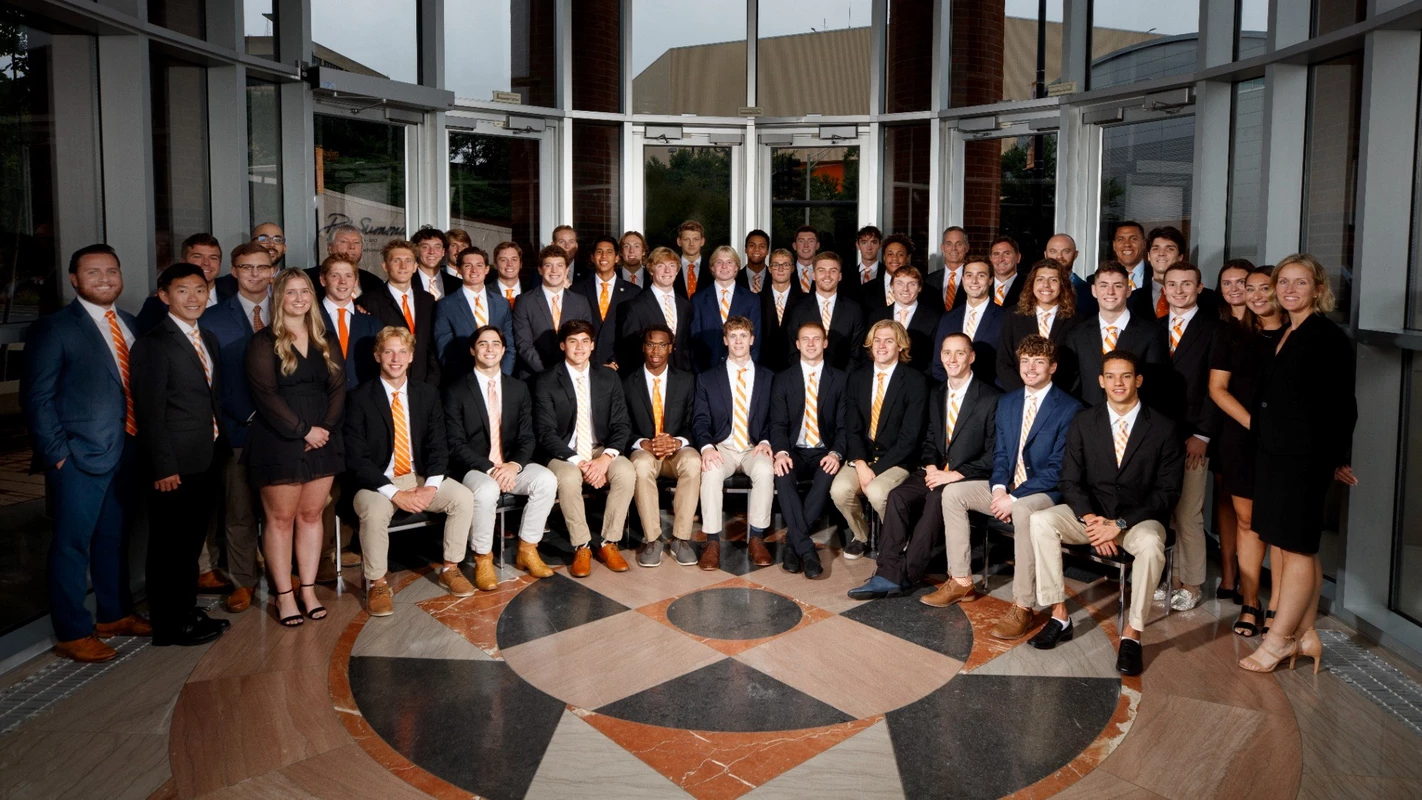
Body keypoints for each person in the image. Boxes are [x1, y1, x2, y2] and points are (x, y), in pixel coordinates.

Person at [22, 244, 150, 662]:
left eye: (111, 270)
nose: (104, 278)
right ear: (74, 279)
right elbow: (36, 398)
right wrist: (58, 454)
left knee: (113, 538)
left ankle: (113, 614)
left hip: (127, 451)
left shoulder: (130, 324)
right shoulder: (55, 327)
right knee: (72, 544)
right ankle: (73, 631)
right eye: (92, 272)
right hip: (79, 457)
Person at [1027, 350, 1183, 676]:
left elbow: (1167, 493)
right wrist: (1091, 520)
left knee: (1154, 546)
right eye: (1111, 376)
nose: (1118, 383)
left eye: (1126, 376)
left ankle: (1132, 635)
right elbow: (1069, 479)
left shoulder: (1164, 428)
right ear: (1101, 381)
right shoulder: (1084, 421)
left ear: (1138, 380)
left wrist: (1120, 524)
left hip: (1136, 521)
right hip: (1093, 517)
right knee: (1041, 520)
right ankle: (1059, 615)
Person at [1240, 255, 1356, 674]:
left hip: (1304, 459)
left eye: (1300, 283)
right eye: (1283, 282)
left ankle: (1279, 641)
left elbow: (1343, 405)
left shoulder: (1326, 337)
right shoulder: (1289, 331)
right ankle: (1306, 636)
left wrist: (1337, 458)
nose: (1289, 289)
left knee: (1298, 549)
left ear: (1318, 290)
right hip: (1276, 454)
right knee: (1287, 548)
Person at [936, 335, 1083, 636]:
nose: (1030, 368)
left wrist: (1014, 498)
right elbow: (1001, 454)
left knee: (1025, 511)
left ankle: (1022, 605)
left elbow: (1058, 469)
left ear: (1052, 367)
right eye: (1025, 361)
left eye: (1039, 362)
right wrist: (1000, 488)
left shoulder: (1069, 408)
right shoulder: (1008, 402)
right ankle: (962, 580)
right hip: (1008, 488)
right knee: (953, 492)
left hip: (1044, 493)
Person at [849, 334, 1000, 599]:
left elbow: (995, 453)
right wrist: (931, 466)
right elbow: (930, 439)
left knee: (936, 501)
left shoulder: (990, 397)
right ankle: (886, 571)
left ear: (972, 357)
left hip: (968, 477)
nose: (952, 359)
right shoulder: (937, 393)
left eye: (960, 353)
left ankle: (905, 575)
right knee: (897, 497)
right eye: (947, 353)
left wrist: (954, 474)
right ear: (940, 356)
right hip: (935, 471)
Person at [131, 264, 231, 646]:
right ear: (164, 296)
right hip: (173, 466)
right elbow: (149, 410)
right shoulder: (153, 343)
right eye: (183, 291)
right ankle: (170, 627)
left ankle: (185, 611)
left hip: (205, 457)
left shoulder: (207, 337)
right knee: (168, 547)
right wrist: (163, 465)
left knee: (189, 544)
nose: (193, 298)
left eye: (200, 290)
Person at [344, 326, 476, 615]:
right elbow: (357, 458)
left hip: (419, 475)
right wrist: (395, 494)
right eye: (389, 351)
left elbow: (439, 446)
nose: (395, 358)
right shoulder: (359, 397)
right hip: (376, 481)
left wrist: (430, 486)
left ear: (411, 356)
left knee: (463, 497)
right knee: (376, 512)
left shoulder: (427, 394)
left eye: (402, 351)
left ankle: (451, 567)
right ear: (377, 355)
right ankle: (377, 583)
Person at [244, 268, 346, 626]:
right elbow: (265, 395)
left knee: (311, 516)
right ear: (279, 298)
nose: (300, 298)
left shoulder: (324, 337)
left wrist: (325, 429)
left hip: (323, 438)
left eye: (305, 291)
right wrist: (303, 430)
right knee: (280, 519)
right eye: (291, 292)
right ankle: (283, 595)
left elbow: (337, 388)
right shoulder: (263, 341)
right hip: (279, 439)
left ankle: (307, 589)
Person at [444, 326, 558, 586]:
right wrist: (490, 468)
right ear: (473, 350)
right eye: (483, 344)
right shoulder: (456, 390)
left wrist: (514, 465)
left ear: (504, 350)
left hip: (509, 465)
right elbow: (454, 443)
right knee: (485, 492)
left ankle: (528, 549)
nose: (490, 349)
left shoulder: (518, 388)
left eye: (496, 344)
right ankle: (483, 557)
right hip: (474, 468)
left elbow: (528, 436)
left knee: (547, 480)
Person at [1209, 265, 1286, 637]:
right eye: (1248, 288)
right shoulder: (1231, 335)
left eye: (1263, 288)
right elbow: (1218, 389)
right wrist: (1258, 426)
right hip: (1241, 438)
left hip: (1288, 443)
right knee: (1246, 521)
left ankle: (1279, 608)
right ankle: (1251, 602)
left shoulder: (1296, 335)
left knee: (1282, 527)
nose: (1254, 295)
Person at [198, 243, 274, 613]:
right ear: (234, 271)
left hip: (285, 432)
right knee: (240, 511)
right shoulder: (212, 318)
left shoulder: (292, 306)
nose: (256, 274)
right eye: (247, 268)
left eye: (263, 267)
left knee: (280, 511)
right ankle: (243, 581)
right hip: (239, 430)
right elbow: (213, 381)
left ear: (273, 270)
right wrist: (249, 416)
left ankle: (282, 574)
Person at [533, 320, 636, 577]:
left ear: (593, 346)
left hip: (600, 448)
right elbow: (546, 434)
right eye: (572, 341)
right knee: (568, 479)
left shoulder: (608, 377)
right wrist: (581, 462)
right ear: (562, 345)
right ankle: (582, 545)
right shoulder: (546, 381)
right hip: (564, 453)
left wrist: (605, 459)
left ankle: (608, 542)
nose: (579, 347)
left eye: (585, 341)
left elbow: (622, 423)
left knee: (626, 472)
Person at [1152, 262, 1222, 612]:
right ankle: (1167, 578)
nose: (1179, 291)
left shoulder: (1213, 329)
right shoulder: (1153, 328)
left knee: (1189, 513)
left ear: (1200, 288)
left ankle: (1191, 583)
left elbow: (1217, 388)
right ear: (1163, 288)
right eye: (1172, 284)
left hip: (1193, 435)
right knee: (1161, 510)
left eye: (1186, 284)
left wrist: (1203, 434)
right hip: (1156, 436)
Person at [831, 321, 927, 559]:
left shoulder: (915, 381)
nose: (882, 346)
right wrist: (861, 464)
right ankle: (861, 535)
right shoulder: (857, 377)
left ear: (900, 346)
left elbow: (909, 438)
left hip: (896, 459)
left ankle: (897, 537)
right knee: (840, 490)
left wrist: (874, 470)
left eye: (889, 340)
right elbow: (851, 427)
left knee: (876, 492)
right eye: (877, 340)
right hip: (862, 456)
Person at [694, 316, 777, 570]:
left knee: (765, 470)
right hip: (724, 447)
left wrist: (765, 440)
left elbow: (777, 417)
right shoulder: (708, 378)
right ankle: (712, 541)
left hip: (754, 447)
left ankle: (758, 538)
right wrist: (707, 447)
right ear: (725, 340)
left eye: (743, 336)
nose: (738, 341)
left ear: (752, 340)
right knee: (709, 471)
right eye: (733, 336)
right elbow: (699, 419)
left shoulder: (768, 377)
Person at [769, 321, 849, 579]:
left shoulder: (840, 379)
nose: (811, 344)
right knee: (782, 473)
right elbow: (778, 424)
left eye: (817, 339)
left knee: (826, 475)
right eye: (806, 339)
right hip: (794, 449)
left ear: (825, 343)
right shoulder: (783, 379)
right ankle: (807, 551)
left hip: (825, 450)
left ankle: (794, 545)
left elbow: (844, 426)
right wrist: (780, 451)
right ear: (797, 344)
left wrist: (836, 453)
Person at [624, 325, 701, 567]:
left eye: (662, 344)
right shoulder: (627, 381)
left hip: (676, 450)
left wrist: (678, 441)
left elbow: (695, 421)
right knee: (640, 465)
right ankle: (653, 538)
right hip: (645, 450)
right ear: (643, 347)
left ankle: (680, 538)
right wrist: (643, 443)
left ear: (671, 348)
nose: (656, 350)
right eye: (650, 344)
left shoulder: (687, 380)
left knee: (693, 460)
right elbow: (620, 426)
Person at [1208, 258, 1255, 603]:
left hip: (1263, 425)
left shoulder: (1272, 327)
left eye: (1242, 282)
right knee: (1226, 498)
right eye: (1227, 283)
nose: (1235, 288)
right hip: (1225, 422)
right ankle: (1228, 575)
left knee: (1249, 509)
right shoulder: (1219, 327)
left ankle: (1250, 578)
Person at [1062, 262, 1168, 407]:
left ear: (1129, 290)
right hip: (1088, 421)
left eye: (1118, 286)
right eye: (1103, 285)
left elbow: (1156, 388)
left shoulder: (1151, 334)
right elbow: (1072, 387)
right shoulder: (1077, 334)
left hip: (1135, 422)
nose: (1110, 292)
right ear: (1093, 290)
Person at [356, 239, 440, 386]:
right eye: (396, 261)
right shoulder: (368, 302)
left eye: (408, 261)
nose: (403, 266)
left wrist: (432, 381)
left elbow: (431, 344)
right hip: (386, 383)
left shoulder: (427, 300)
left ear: (415, 267)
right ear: (385, 266)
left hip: (423, 384)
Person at [511, 244, 594, 378]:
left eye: (560, 265)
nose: (554, 270)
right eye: (548, 265)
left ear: (567, 270)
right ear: (540, 270)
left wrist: (568, 371)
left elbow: (585, 340)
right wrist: (549, 373)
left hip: (572, 375)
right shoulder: (524, 301)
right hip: (535, 375)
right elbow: (524, 345)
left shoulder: (580, 302)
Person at [433, 246, 515, 380]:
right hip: (463, 382)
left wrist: (502, 376)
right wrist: (468, 382)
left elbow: (509, 346)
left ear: (487, 269)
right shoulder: (445, 306)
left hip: (499, 379)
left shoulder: (502, 304)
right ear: (459, 270)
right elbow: (444, 350)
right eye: (467, 265)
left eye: (479, 265)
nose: (474, 270)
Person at [996, 260, 1079, 392]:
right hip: (1018, 395)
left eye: (1053, 280)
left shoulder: (1077, 320)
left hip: (1061, 398)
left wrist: (1053, 397)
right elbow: (1003, 362)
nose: (1046, 285)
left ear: (1063, 285)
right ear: (1031, 284)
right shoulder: (1013, 315)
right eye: (1040, 279)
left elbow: (1077, 368)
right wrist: (1025, 395)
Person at [615, 246, 693, 372]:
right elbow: (628, 349)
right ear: (651, 270)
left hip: (680, 376)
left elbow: (686, 344)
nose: (667, 271)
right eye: (661, 265)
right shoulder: (635, 306)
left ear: (677, 270)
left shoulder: (685, 305)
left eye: (672, 265)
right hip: (647, 375)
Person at [783, 251, 865, 370]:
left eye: (833, 271)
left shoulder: (854, 309)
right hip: (806, 379)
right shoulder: (798, 308)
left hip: (844, 382)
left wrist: (843, 380)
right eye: (821, 270)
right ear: (814, 275)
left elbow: (857, 353)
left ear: (840, 276)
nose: (827, 275)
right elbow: (792, 350)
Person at [136, 233, 232, 333]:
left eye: (213, 258)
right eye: (198, 257)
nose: (206, 263)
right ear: (183, 262)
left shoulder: (233, 296)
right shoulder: (157, 304)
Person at [571, 236, 640, 369]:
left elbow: (635, 332)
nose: (604, 256)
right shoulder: (577, 290)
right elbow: (573, 329)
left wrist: (616, 361)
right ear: (592, 257)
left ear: (617, 257)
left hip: (620, 367)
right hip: (584, 365)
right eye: (599, 251)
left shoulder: (633, 292)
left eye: (609, 252)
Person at [690, 245, 762, 371]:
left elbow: (755, 339)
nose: (724, 267)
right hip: (707, 370)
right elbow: (694, 339)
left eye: (729, 262)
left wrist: (748, 369)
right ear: (712, 267)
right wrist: (699, 372)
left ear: (736, 267)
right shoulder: (698, 299)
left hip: (741, 369)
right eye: (719, 262)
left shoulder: (752, 300)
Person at [932, 258, 1002, 385]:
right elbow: (938, 364)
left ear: (991, 280)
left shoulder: (1005, 318)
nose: (974, 281)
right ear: (963, 279)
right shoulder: (948, 318)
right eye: (969, 275)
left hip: (991, 396)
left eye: (981, 275)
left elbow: (1008, 365)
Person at [319, 255, 383, 390]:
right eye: (335, 276)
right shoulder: (308, 319)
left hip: (360, 402)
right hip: (321, 401)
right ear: (323, 280)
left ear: (355, 281)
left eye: (348, 276)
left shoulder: (372, 323)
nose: (343, 281)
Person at [869, 266, 941, 374]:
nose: (905, 289)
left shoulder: (935, 318)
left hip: (921, 379)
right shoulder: (876, 316)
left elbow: (937, 356)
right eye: (899, 283)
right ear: (892, 286)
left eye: (912, 284)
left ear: (920, 287)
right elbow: (868, 351)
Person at [757, 248, 803, 372]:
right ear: (769, 269)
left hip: (795, 368)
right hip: (763, 367)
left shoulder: (804, 301)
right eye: (776, 265)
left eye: (786, 265)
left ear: (793, 268)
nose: (781, 269)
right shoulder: (756, 300)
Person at [312, 224, 385, 298]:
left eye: (356, 242)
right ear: (330, 248)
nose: (352, 247)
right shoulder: (309, 279)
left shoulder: (375, 283)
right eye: (344, 242)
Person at [926, 226, 969, 312]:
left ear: (967, 248)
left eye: (959, 244)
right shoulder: (928, 280)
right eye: (949, 244)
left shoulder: (973, 279)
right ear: (942, 248)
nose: (954, 248)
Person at [411, 227, 461, 300]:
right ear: (416, 251)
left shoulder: (457, 284)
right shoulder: (406, 282)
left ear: (443, 252)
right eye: (425, 247)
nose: (432, 252)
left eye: (437, 247)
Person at [490, 241, 540, 308]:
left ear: (521, 264)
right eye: (503, 260)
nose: (509, 264)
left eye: (514, 259)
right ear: (495, 264)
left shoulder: (533, 292)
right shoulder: (485, 292)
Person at [853, 225, 890, 310]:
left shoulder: (887, 273)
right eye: (864, 242)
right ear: (858, 245)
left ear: (880, 245)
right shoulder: (847, 276)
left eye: (873, 242)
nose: (869, 247)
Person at [675, 220, 711, 298]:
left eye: (696, 239)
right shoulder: (671, 267)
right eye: (686, 239)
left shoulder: (712, 268)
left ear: (702, 241)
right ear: (679, 241)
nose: (691, 244)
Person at [989, 236, 1025, 309]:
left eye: (1007, 254)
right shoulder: (983, 285)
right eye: (996, 254)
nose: (1001, 259)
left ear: (1018, 257)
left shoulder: (1028, 286)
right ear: (991, 258)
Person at [791, 226, 819, 291]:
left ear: (817, 245)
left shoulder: (827, 272)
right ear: (794, 246)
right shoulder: (784, 270)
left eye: (811, 241)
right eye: (801, 241)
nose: (806, 245)